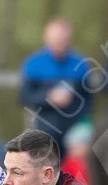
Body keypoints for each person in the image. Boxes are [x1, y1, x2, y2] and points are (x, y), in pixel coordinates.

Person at [19, 18, 92, 158]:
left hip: (73, 129)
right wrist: (48, 97)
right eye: (55, 38)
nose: (58, 42)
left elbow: (88, 101)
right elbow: (24, 96)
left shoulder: (80, 64)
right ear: (46, 38)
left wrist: (83, 129)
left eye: (62, 38)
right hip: (44, 126)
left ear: (69, 38)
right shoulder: (33, 64)